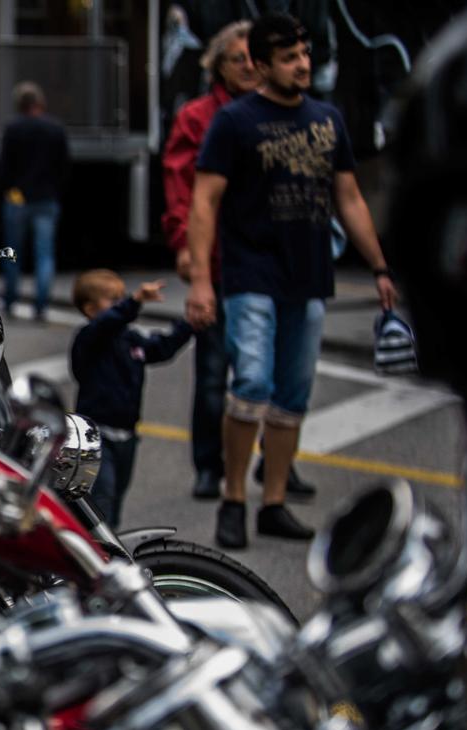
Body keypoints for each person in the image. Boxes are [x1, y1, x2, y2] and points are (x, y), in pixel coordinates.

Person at [185, 13, 399, 549]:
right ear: (259, 65)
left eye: (304, 54)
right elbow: (205, 201)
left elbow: (348, 197)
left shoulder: (328, 119)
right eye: (288, 57)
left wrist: (380, 266)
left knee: (292, 396)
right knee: (252, 383)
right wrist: (200, 282)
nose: (302, 65)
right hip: (250, 273)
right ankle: (234, 499)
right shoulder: (233, 122)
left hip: (309, 277)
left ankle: (273, 502)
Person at [165, 20, 314, 501]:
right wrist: (187, 249)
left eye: (255, 58)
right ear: (218, 66)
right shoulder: (199, 116)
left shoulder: (289, 114)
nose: (249, 67)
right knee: (216, 372)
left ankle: (277, 467)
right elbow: (182, 189)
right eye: (239, 59)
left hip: (278, 263)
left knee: (280, 374)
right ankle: (210, 467)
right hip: (223, 262)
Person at [70, 270, 193, 527]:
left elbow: (161, 348)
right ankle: (102, 554)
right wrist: (135, 301)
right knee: (102, 499)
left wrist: (188, 324)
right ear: (91, 310)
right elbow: (107, 323)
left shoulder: (130, 340)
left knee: (116, 498)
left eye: (122, 298)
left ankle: (109, 549)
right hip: (97, 436)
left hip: (128, 435)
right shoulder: (89, 340)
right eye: (113, 300)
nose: (121, 305)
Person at [0, 81, 69, 322]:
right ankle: (41, 305)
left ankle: (10, 300)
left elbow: (5, 166)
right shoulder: (55, 129)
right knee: (44, 254)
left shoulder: (13, 129)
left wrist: (9, 189)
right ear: (40, 102)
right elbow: (63, 166)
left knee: (13, 253)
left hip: (18, 197)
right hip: (46, 197)